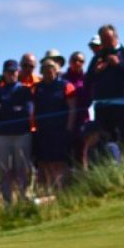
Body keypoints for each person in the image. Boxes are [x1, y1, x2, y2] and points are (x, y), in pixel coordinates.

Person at [88, 24, 124, 154]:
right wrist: (96, 71)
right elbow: (88, 80)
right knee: (104, 141)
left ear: (116, 37)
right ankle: (110, 169)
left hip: (122, 104)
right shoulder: (97, 57)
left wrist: (119, 64)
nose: (106, 42)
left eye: (109, 39)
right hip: (102, 106)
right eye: (103, 40)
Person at [0, 60, 35, 204]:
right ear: (4, 73)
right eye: (9, 72)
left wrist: (5, 109)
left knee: (22, 168)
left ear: (18, 72)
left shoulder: (25, 90)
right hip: (3, 135)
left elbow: (27, 111)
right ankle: (7, 201)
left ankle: (24, 197)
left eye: (14, 72)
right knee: (5, 170)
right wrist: (13, 110)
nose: (12, 75)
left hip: (22, 134)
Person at [32, 58, 77, 190]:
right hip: (42, 131)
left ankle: (63, 188)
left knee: (60, 161)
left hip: (61, 130)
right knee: (44, 162)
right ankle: (47, 189)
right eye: (45, 70)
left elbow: (72, 108)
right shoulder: (37, 88)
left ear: (56, 71)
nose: (48, 73)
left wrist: (69, 127)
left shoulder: (66, 86)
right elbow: (33, 109)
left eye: (50, 70)